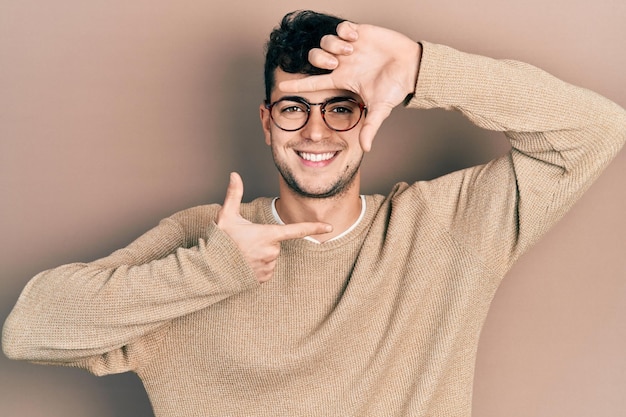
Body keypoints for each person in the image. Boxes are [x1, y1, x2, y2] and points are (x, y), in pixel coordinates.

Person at [3, 9, 625, 417]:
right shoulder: (205, 240)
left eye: (340, 108)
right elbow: (29, 329)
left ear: (371, 115)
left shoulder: (447, 229)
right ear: (268, 122)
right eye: (295, 108)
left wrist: (422, 68)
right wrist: (212, 269)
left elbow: (596, 129)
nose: (317, 132)